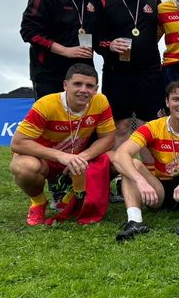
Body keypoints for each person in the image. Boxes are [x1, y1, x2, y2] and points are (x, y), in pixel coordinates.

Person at [113, 79, 179, 240]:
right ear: (167, 102)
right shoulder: (153, 127)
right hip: (161, 191)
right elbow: (119, 155)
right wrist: (140, 181)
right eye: (176, 99)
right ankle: (134, 221)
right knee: (132, 163)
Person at [10, 63, 115, 226]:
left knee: (115, 160)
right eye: (77, 84)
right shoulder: (46, 104)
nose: (84, 90)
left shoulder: (100, 102)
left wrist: (83, 157)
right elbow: (17, 143)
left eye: (89, 86)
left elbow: (108, 139)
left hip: (77, 157)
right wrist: (61, 156)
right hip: (45, 158)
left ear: (96, 89)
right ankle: (38, 203)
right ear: (66, 85)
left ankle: (70, 197)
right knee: (23, 167)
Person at [96, 0, 164, 149]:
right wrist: (109, 45)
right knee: (121, 126)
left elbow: (161, 27)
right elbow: (92, 35)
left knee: (149, 127)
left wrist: (146, 44)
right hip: (117, 73)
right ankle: (119, 167)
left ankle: (148, 168)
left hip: (149, 73)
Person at [21, 0, 104, 98]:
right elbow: (29, 31)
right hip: (49, 75)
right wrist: (65, 50)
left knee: (82, 114)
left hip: (83, 75)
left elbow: (100, 31)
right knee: (51, 113)